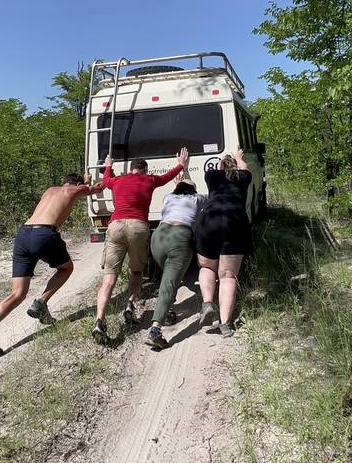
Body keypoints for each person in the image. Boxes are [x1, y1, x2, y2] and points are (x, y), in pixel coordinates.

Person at [0, 173, 105, 360]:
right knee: (66, 268)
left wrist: (82, 183)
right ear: (78, 183)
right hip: (44, 234)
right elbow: (99, 187)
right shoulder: (74, 189)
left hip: (23, 234)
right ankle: (41, 303)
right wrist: (103, 171)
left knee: (17, 293)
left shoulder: (50, 190)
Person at [92, 147, 189, 343]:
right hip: (138, 227)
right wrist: (181, 164)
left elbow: (106, 180)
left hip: (116, 225)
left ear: (131, 169)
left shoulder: (118, 180)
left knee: (109, 278)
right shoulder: (149, 180)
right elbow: (168, 176)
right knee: (136, 271)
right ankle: (130, 304)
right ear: (145, 170)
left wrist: (108, 166)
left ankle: (99, 320)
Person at [146, 170, 207, 350]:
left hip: (158, 238)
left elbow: (180, 191)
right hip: (179, 238)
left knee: (168, 279)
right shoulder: (196, 199)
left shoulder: (168, 198)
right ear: (193, 191)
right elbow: (212, 196)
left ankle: (167, 309)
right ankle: (155, 331)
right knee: (169, 283)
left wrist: (180, 182)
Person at [194, 149, 252, 337]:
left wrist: (221, 161)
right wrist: (239, 158)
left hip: (209, 220)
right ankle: (225, 324)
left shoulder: (211, 176)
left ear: (219, 166)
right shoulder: (243, 178)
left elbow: (219, 169)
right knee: (228, 275)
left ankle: (207, 303)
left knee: (207, 267)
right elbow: (244, 168)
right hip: (235, 221)